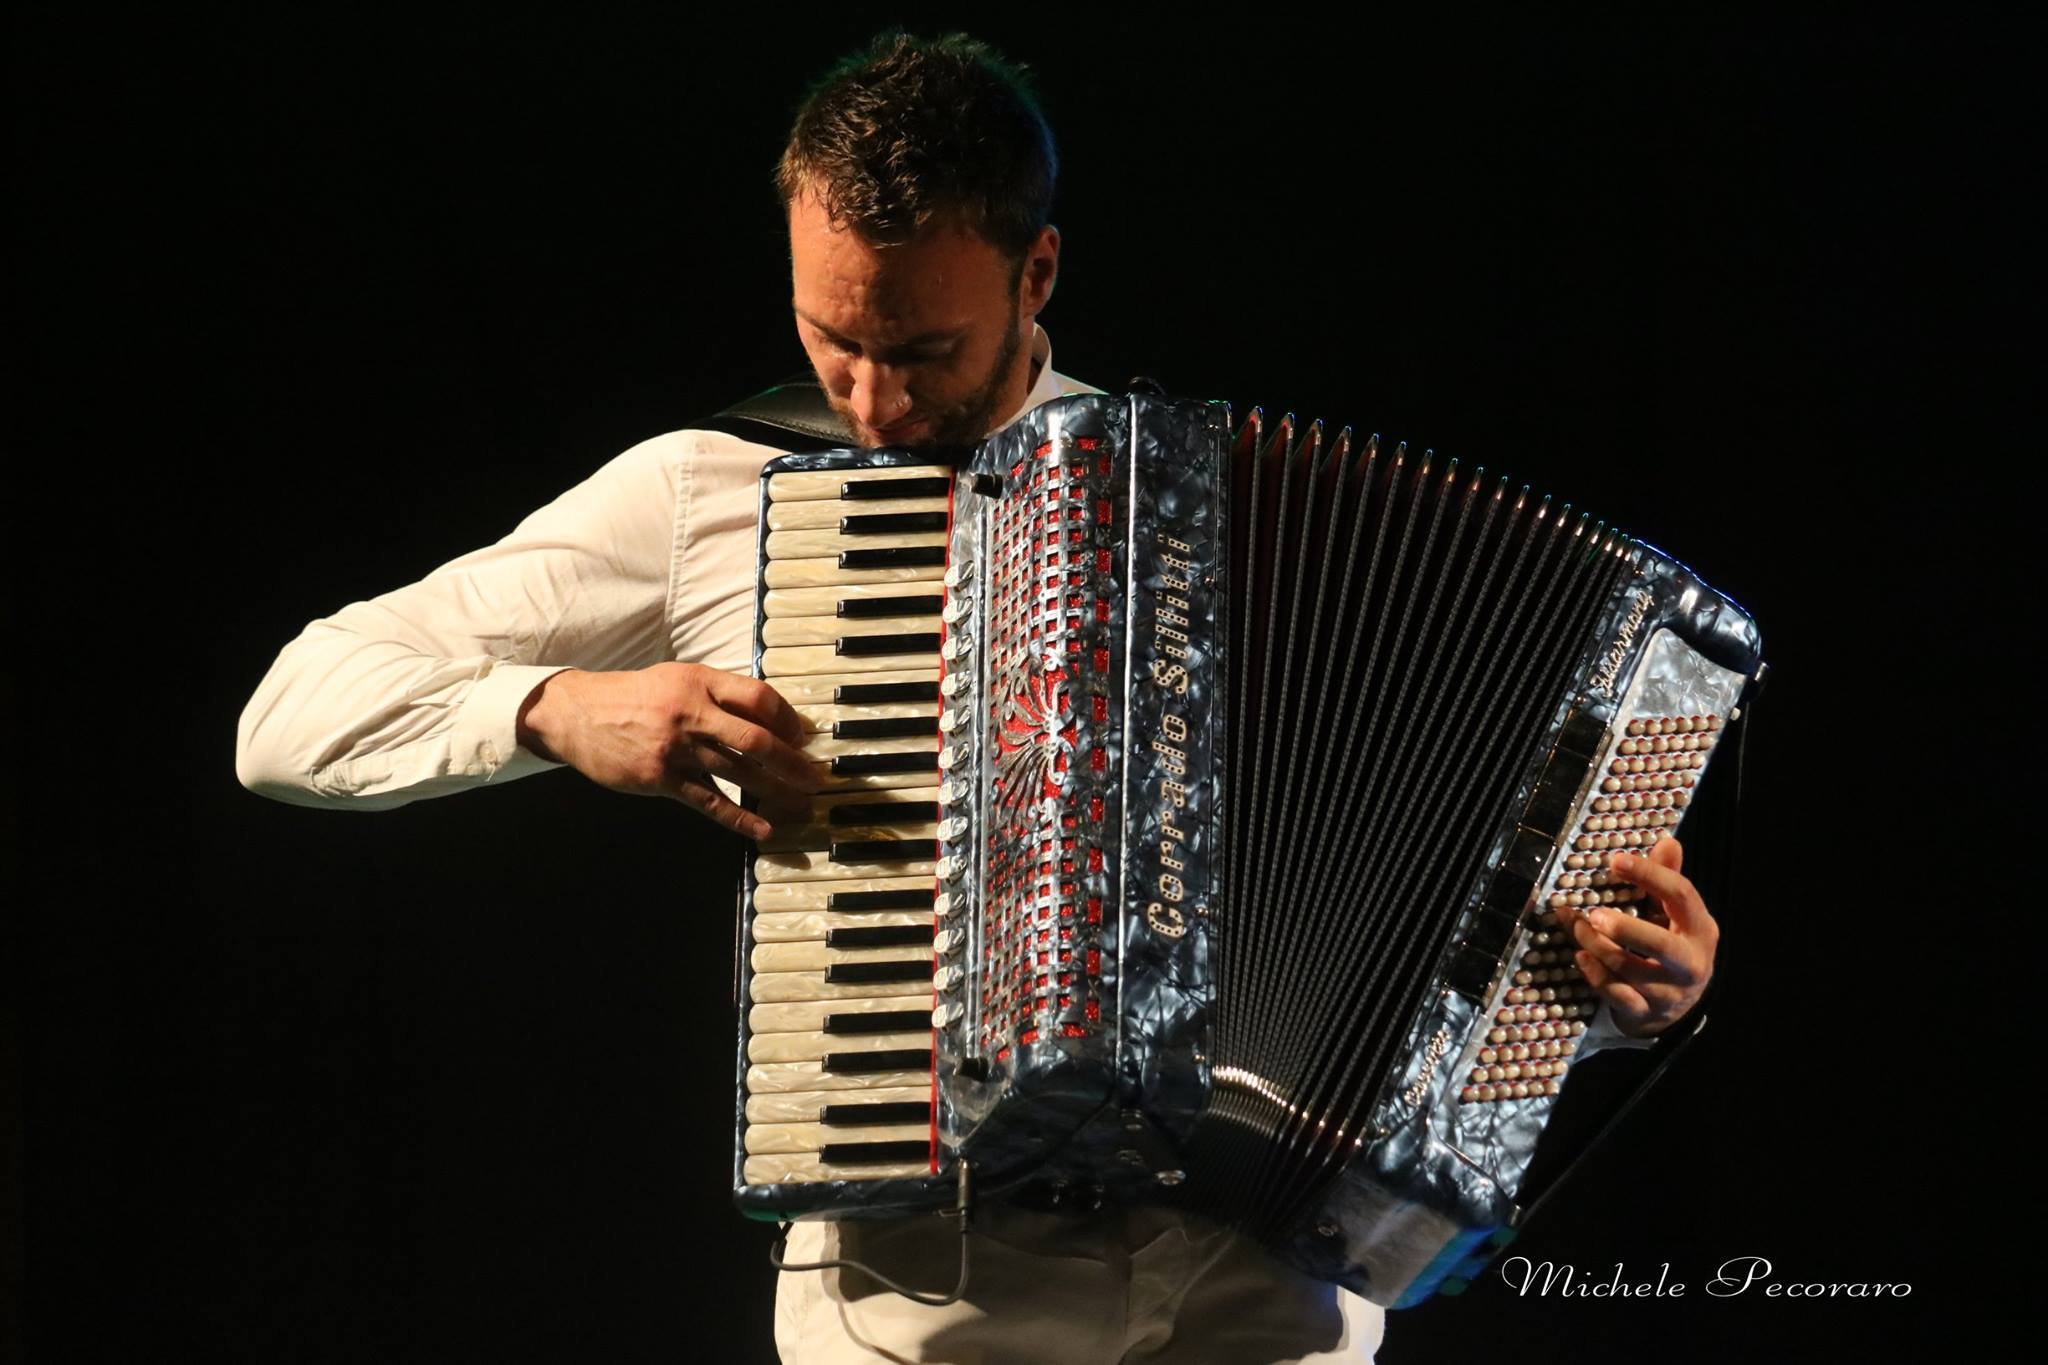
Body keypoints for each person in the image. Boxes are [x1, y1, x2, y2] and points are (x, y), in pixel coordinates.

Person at [237, 31, 1719, 1364]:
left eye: (923, 349)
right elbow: (294, 707)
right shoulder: (716, 492)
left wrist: (1609, 997)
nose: (872, 405)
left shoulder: (1191, 515)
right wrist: (561, 708)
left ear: (1038, 273)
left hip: (1259, 1311)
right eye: (836, 338)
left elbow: (1435, 975)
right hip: (926, 1317)